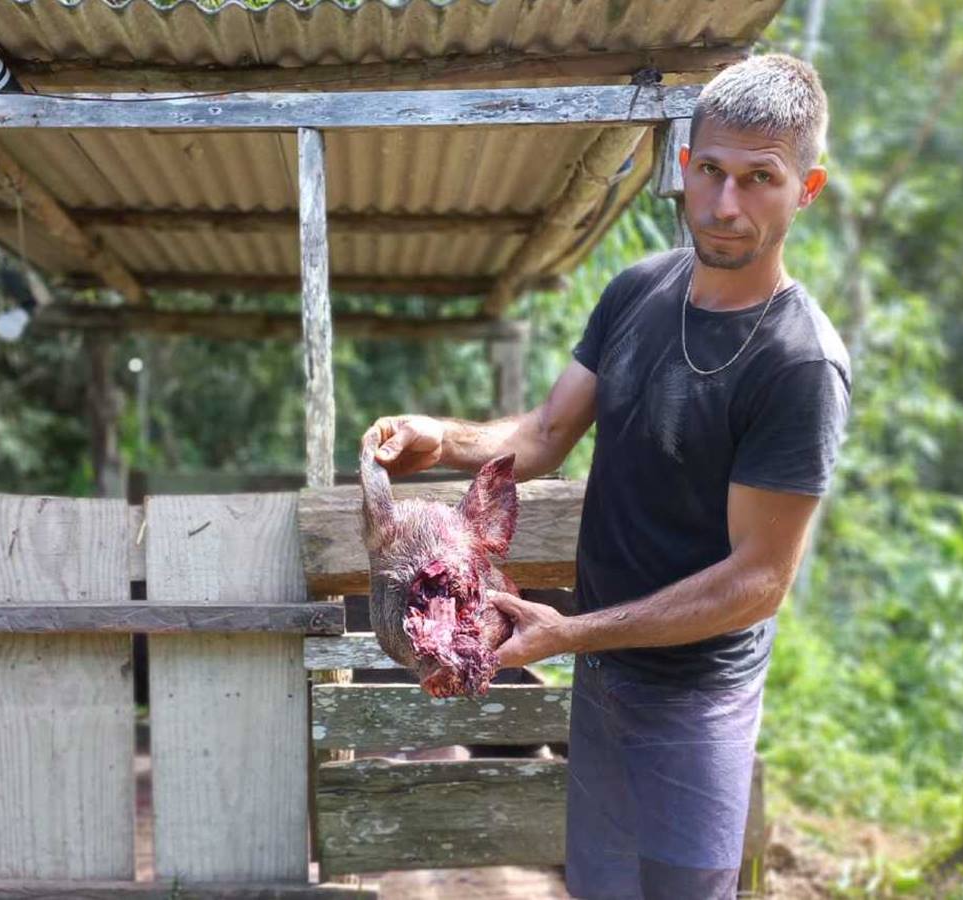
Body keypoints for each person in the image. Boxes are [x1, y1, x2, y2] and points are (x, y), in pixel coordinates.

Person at [364, 53, 851, 899]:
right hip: (601, 681)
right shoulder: (638, 293)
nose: (725, 204)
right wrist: (440, 440)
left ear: (805, 190)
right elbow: (546, 433)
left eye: (759, 179)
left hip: (696, 701)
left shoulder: (798, 363)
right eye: (711, 170)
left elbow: (759, 581)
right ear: (684, 165)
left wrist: (572, 634)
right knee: (597, 887)